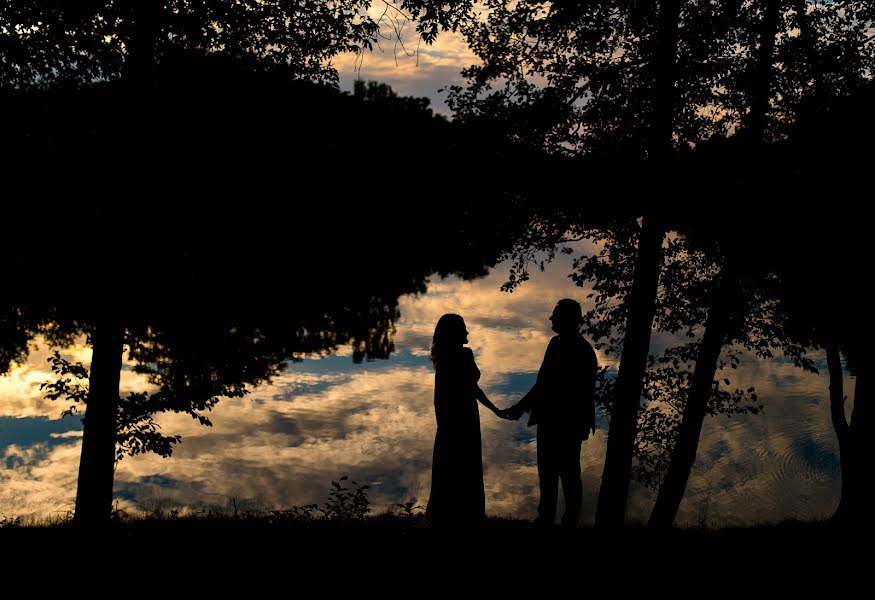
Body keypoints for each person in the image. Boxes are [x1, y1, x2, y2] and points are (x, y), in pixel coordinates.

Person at [502, 299, 598, 528]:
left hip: (569, 423)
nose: (551, 319)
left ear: (568, 319)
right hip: (547, 419)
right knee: (546, 473)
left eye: (555, 315)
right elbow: (542, 383)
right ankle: (545, 518)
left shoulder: (582, 351)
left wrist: (520, 407)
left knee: (569, 473)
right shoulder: (554, 344)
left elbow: (579, 393)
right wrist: (520, 407)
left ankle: (570, 522)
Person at [424, 313, 503, 526]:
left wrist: (442, 424)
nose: (467, 332)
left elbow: (439, 397)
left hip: (449, 421)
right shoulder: (464, 355)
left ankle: (447, 517)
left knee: (448, 468)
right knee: (467, 469)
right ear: (454, 333)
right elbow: (472, 388)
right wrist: (494, 409)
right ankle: (468, 517)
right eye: (463, 328)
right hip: (465, 418)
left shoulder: (442, 358)